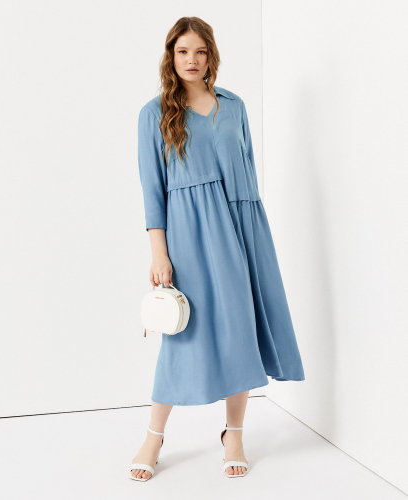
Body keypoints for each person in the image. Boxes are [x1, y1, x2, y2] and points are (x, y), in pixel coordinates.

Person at [131, 17, 305, 481]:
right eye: (182, 51)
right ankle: (154, 436)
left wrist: (255, 240)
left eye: (200, 51)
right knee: (181, 335)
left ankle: (234, 433)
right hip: (190, 235)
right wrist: (159, 253)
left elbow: (247, 177)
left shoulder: (234, 105)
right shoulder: (154, 114)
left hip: (243, 230)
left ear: (211, 56)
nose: (191, 60)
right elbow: (153, 191)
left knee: (240, 331)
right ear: (171, 56)